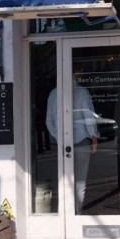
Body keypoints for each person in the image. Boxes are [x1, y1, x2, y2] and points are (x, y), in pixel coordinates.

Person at [45, 75, 99, 215]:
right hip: (81, 142)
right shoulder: (82, 92)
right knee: (80, 181)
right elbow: (89, 118)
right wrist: (94, 138)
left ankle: (65, 214)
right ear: (77, 75)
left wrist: (58, 137)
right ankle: (76, 213)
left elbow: (49, 121)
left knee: (64, 180)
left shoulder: (53, 94)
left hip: (63, 145)